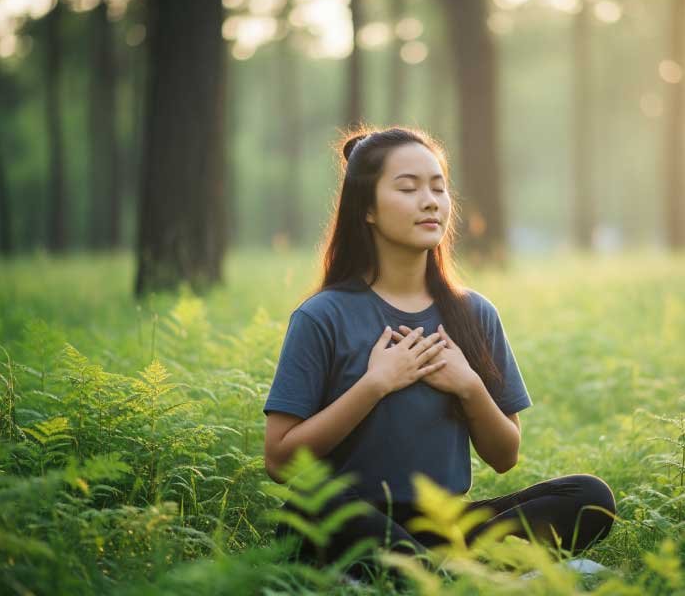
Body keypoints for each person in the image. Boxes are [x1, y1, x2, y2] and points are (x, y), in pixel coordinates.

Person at [262, 126, 616, 580]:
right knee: (317, 506)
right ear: (366, 209)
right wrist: (374, 385)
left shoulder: (474, 313)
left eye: (439, 188)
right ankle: (477, 582)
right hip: (354, 521)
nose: (431, 201)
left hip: (446, 525)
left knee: (589, 497)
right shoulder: (323, 316)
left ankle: (437, 577)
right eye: (408, 189)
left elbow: (505, 455)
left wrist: (469, 386)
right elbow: (279, 461)